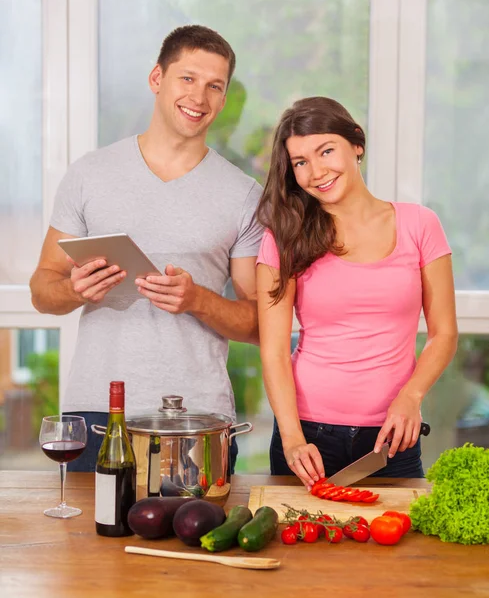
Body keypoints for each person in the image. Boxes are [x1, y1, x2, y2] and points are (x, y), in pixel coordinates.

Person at [30, 25, 263, 472]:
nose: (200, 97)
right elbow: (43, 289)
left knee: (193, 541)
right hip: (99, 411)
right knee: (91, 541)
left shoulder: (243, 194)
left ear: (224, 98)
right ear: (157, 78)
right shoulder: (90, 174)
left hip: (198, 418)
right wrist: (77, 289)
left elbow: (257, 323)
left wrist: (198, 300)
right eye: (188, 78)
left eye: (215, 86)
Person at [255, 96, 458, 488]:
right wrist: (294, 439)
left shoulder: (420, 224)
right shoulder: (284, 236)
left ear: (356, 144)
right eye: (300, 162)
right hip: (308, 437)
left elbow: (444, 334)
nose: (316, 172)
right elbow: (274, 351)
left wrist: (411, 397)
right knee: (304, 547)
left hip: (392, 435)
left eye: (325, 151)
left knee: (396, 546)